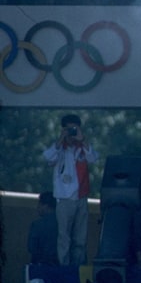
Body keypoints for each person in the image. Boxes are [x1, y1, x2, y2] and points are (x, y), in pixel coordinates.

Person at [43, 113, 99, 266]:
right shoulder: (60, 149)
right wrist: (61, 139)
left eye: (74, 129)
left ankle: (78, 266)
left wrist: (82, 140)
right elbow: (48, 157)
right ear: (63, 130)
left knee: (80, 237)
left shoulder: (83, 148)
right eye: (68, 129)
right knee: (64, 236)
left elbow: (93, 158)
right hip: (64, 199)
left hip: (81, 197)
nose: (72, 133)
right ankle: (64, 266)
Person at [28, 191, 59, 266]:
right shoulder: (64, 225)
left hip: (40, 266)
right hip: (60, 266)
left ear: (46, 206)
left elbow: (31, 247)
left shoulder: (37, 225)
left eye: (39, 204)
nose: (37, 207)